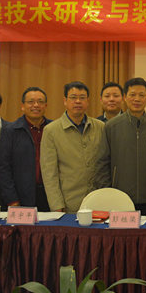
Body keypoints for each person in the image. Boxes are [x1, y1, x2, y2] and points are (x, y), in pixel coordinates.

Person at [99, 77, 146, 216]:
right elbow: (102, 164)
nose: (137, 99)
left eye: (141, 95)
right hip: (119, 200)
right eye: (132, 94)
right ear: (125, 97)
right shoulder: (111, 127)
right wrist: (108, 194)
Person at [40, 81, 107, 213]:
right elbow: (49, 174)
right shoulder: (51, 130)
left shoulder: (100, 127)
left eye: (82, 98)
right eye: (73, 97)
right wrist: (56, 205)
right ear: (65, 101)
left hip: (98, 202)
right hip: (69, 203)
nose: (78, 101)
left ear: (87, 101)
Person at [0, 87, 52, 210]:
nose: (36, 105)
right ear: (22, 106)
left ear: (46, 106)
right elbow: (3, 168)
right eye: (31, 102)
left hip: (50, 195)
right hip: (20, 196)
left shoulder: (53, 129)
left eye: (40, 102)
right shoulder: (10, 131)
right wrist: (12, 199)